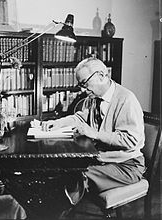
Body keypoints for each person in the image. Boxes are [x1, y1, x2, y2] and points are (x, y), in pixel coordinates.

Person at [42, 57, 146, 205]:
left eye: (85, 83)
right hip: (103, 161)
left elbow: (130, 140)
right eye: (80, 85)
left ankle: (55, 208)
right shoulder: (93, 97)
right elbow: (80, 118)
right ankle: (56, 205)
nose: (82, 90)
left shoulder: (126, 99)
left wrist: (95, 133)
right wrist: (58, 123)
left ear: (101, 76)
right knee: (63, 169)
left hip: (127, 166)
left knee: (75, 176)